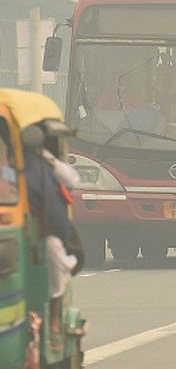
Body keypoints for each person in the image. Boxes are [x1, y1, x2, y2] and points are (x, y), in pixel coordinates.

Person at [22, 124, 84, 345]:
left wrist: (47, 159)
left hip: (37, 230)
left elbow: (72, 180)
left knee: (54, 250)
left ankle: (55, 316)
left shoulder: (40, 161)